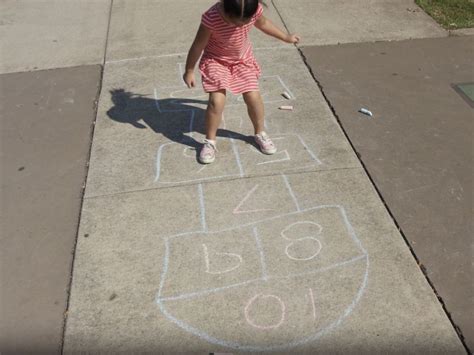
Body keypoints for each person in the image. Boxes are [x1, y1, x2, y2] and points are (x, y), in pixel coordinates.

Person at [183, 0, 300, 164]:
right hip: (216, 61)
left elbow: (264, 23)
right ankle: (210, 141)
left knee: (253, 96)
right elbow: (198, 45)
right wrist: (189, 70)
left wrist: (285, 37)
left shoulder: (253, 11)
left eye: (245, 22)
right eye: (236, 22)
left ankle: (260, 133)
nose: (240, 26)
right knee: (216, 101)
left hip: (242, 60)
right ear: (226, 10)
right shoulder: (212, 18)